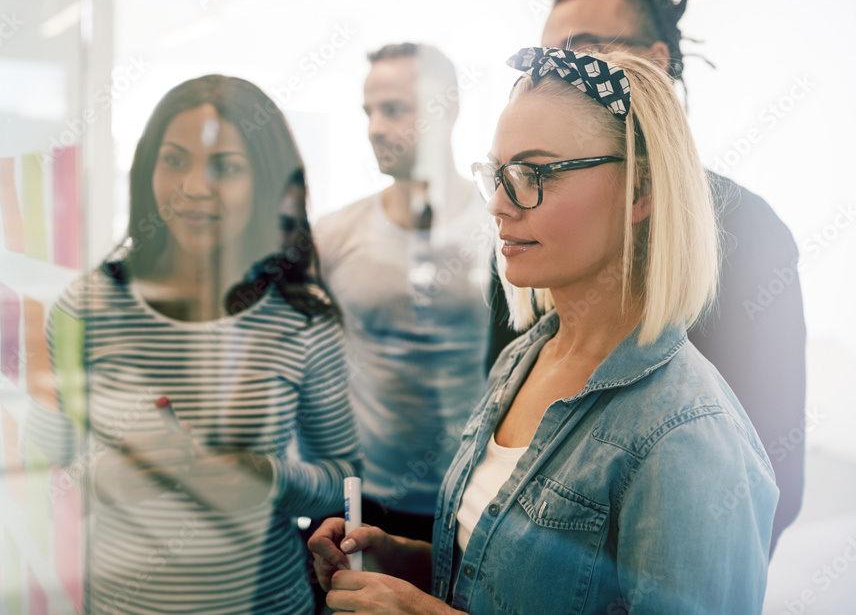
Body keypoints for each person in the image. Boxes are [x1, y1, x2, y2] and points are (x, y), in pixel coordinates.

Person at [310, 48, 778, 613]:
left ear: (640, 191)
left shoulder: (688, 440)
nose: (500, 206)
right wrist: (398, 560)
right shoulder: (525, 357)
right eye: (500, 175)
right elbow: (504, 573)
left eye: (534, 175)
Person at [486, 0, 806, 553]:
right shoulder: (524, 242)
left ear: (655, 63)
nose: (559, 71)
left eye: (581, 51)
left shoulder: (747, 232)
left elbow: (768, 467)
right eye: (549, 56)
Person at [26, 75, 360, 615]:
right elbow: (43, 465)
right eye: (175, 160)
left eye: (225, 167)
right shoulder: (84, 306)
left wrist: (260, 477)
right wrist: (106, 474)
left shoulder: (302, 319)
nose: (194, 186)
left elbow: (343, 479)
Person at [314, 43, 490, 542]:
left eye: (393, 109)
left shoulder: (503, 230)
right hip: (366, 502)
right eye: (369, 111)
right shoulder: (333, 234)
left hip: (481, 502)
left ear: (448, 107)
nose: (374, 127)